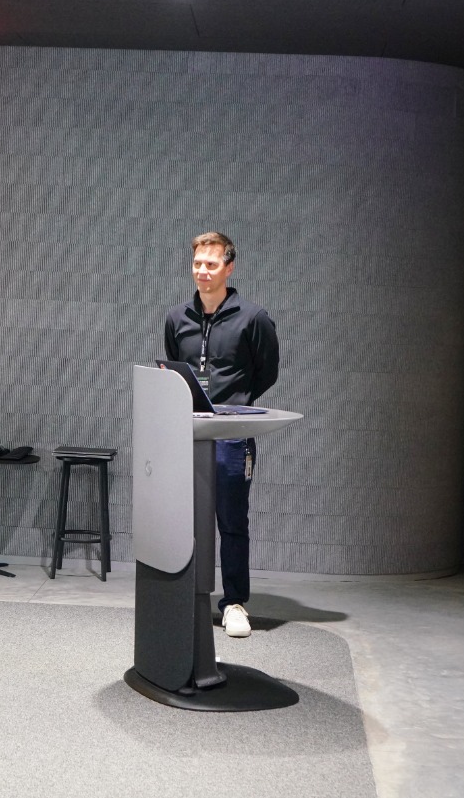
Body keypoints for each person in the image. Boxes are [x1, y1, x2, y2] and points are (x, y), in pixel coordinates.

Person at [162, 231, 279, 638]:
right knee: (185, 520)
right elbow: (174, 369)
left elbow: (267, 371)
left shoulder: (253, 317)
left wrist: (236, 404)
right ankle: (186, 598)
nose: (202, 271)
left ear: (229, 267)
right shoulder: (177, 317)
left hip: (232, 434)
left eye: (211, 264)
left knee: (231, 521)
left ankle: (234, 603)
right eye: (197, 263)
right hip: (189, 433)